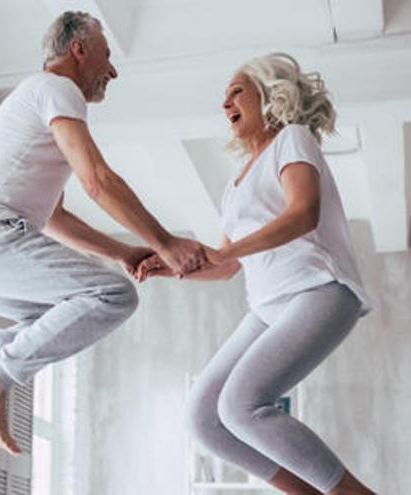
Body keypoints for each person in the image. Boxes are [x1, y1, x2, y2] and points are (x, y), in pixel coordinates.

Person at [0, 11, 208, 456]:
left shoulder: (38, 100)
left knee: (63, 315)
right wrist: (165, 243)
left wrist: (120, 252)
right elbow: (97, 180)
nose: (112, 71)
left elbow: (55, 217)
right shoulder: (56, 89)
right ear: (79, 49)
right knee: (114, 296)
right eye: (107, 56)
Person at [138, 53, 376, 494]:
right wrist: (170, 270)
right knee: (203, 418)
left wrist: (226, 249)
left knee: (241, 404)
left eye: (236, 90)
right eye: (224, 95)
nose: (225, 102)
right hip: (268, 305)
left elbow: (303, 213)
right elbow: (228, 266)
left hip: (319, 290)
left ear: (269, 94)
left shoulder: (293, 139)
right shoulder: (234, 185)